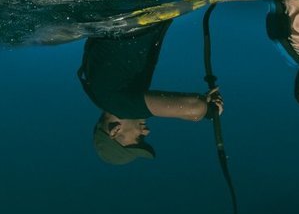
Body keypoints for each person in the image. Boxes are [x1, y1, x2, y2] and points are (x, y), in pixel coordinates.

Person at [78, 20, 224, 165]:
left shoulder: (119, 106)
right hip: (123, 20)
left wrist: (209, 112)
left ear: (114, 131)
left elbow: (194, 107)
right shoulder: (99, 93)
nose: (146, 132)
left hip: (134, 20)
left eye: (139, 138)